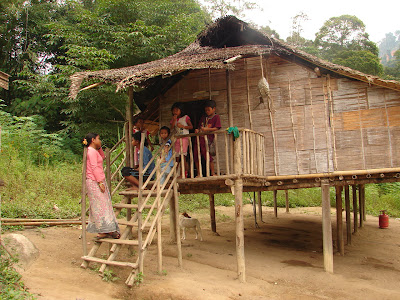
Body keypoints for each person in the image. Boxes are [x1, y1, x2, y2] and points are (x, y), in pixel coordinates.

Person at [83, 133, 120, 239]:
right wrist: (100, 182)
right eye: (98, 139)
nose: (100, 140)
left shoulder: (94, 151)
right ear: (93, 140)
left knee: (103, 205)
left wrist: (99, 148)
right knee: (100, 205)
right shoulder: (90, 152)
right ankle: (105, 230)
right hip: (94, 181)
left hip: (98, 180)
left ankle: (107, 230)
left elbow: (102, 157)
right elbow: (94, 167)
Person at [194, 100, 222, 176]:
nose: (207, 111)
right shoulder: (204, 117)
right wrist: (197, 130)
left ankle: (212, 172)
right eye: (206, 110)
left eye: (209, 110)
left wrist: (207, 129)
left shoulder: (216, 117)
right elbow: (200, 127)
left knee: (208, 156)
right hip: (199, 139)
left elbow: (217, 128)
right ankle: (199, 173)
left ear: (214, 109)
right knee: (196, 156)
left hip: (207, 140)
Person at [170, 102, 193, 178]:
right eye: (174, 110)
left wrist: (183, 126)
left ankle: (184, 174)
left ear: (181, 110)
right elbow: (171, 128)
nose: (175, 112)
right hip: (177, 139)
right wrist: (174, 120)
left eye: (177, 110)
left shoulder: (185, 117)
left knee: (183, 156)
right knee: (177, 157)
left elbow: (191, 127)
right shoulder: (173, 119)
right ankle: (175, 174)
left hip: (184, 138)